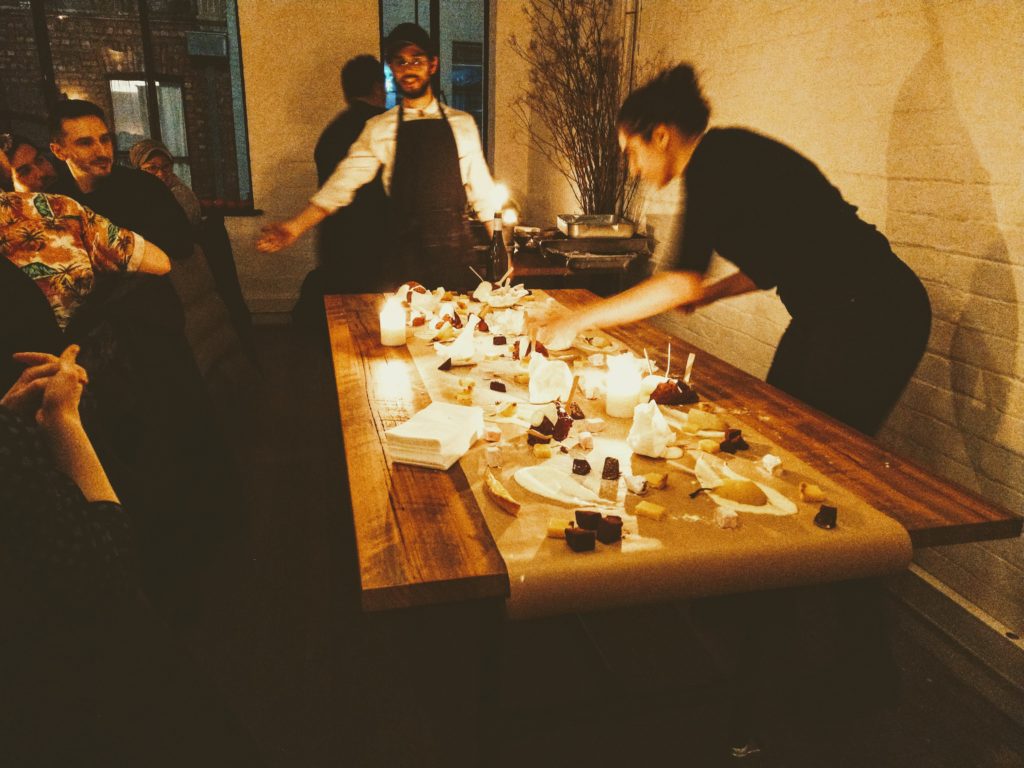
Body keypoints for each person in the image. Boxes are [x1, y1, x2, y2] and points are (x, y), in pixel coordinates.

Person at [534, 65, 931, 435]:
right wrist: (709, 294)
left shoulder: (716, 161)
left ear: (660, 135)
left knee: (817, 443)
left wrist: (579, 319)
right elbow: (771, 265)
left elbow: (678, 282)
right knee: (775, 423)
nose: (633, 169)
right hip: (831, 311)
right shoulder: (720, 160)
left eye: (630, 153)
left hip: (876, 313)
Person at [258, 23, 501, 291]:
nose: (408, 68)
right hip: (404, 266)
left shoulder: (461, 124)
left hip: (456, 261)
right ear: (392, 69)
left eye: (416, 60)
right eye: (400, 61)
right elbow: (340, 186)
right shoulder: (379, 128)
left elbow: (483, 194)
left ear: (433, 65)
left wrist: (502, 250)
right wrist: (293, 227)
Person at [0, 189, 171, 329]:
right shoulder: (53, 208)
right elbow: (158, 264)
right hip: (91, 355)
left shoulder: (52, 209)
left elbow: (158, 264)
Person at [48, 99, 193, 262]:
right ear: (59, 151)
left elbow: (184, 248)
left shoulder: (146, 188)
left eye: (105, 139)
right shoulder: (54, 202)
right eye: (85, 143)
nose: (102, 151)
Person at [311, 53, 388, 293]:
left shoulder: (331, 132)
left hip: (335, 242)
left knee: (343, 321)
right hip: (376, 245)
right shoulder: (384, 128)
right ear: (377, 87)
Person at [129, 138, 203, 228]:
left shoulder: (180, 194)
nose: (161, 173)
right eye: (152, 168)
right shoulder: (139, 192)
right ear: (138, 171)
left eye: (166, 166)